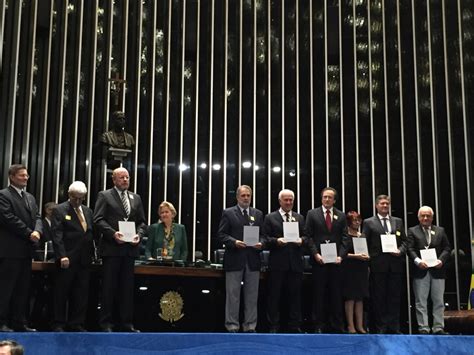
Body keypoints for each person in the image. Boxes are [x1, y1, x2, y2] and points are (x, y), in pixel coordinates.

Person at [93, 167, 147, 332]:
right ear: (114, 179)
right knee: (109, 288)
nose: (125, 180)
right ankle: (106, 323)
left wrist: (139, 234)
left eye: (127, 177)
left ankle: (126, 323)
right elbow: (98, 219)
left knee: (127, 288)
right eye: (122, 177)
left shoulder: (135, 198)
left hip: (130, 250)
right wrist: (112, 233)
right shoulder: (105, 195)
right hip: (112, 249)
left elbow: (142, 223)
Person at [0, 164, 42, 332]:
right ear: (11, 177)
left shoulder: (30, 197)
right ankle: (1, 322)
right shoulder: (3, 195)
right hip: (10, 250)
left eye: (27, 175)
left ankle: (20, 321)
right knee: (5, 288)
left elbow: (38, 216)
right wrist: (29, 233)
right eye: (22, 175)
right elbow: (7, 218)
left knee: (22, 289)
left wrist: (38, 231)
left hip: (26, 251)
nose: (26, 178)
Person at [216, 185, 264, 333]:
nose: (246, 198)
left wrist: (261, 243)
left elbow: (264, 235)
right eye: (243, 195)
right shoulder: (228, 213)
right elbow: (221, 235)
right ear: (237, 197)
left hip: (253, 260)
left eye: (248, 195)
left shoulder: (258, 213)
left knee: (251, 296)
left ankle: (250, 326)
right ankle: (232, 325)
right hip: (234, 259)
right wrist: (234, 242)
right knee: (233, 295)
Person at [51, 181, 94, 332]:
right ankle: (59, 323)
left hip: (84, 259)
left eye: (81, 198)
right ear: (69, 195)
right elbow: (57, 235)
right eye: (76, 198)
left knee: (81, 292)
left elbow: (89, 234)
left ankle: (77, 323)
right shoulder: (60, 210)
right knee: (62, 292)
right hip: (67, 258)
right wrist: (62, 255)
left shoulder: (88, 211)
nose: (78, 201)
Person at [362, 194, 407, 334]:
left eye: (387, 203)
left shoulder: (398, 221)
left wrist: (400, 251)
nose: (385, 206)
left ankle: (394, 327)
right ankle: (381, 327)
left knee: (394, 297)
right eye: (382, 203)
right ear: (376, 206)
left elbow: (405, 241)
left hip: (395, 265)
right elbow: (365, 242)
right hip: (377, 265)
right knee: (379, 297)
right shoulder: (369, 222)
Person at [262, 189, 306, 333]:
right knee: (274, 296)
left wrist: (302, 240)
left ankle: (294, 326)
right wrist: (276, 241)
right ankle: (273, 325)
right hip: (277, 263)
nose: (288, 202)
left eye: (290, 200)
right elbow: (264, 239)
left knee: (296, 297)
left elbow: (307, 237)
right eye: (285, 200)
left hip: (295, 264)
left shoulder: (299, 218)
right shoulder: (270, 218)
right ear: (280, 201)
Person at [305, 187, 346, 333]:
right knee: (318, 294)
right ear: (321, 198)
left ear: (334, 200)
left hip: (336, 262)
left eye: (330, 197)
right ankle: (318, 325)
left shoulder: (341, 216)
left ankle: (337, 325)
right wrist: (316, 254)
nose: (327, 200)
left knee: (336, 294)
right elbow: (308, 236)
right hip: (319, 262)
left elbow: (345, 238)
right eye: (324, 197)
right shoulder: (312, 214)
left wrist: (341, 255)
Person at [407, 206, 451, 335]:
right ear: (418, 217)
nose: (425, 218)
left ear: (432, 217)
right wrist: (418, 261)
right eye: (423, 216)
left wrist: (441, 260)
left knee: (438, 301)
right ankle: (423, 328)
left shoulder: (440, 230)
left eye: (428, 216)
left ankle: (438, 328)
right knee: (421, 302)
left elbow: (447, 248)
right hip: (420, 271)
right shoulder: (412, 231)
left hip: (438, 271)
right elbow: (410, 249)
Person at [340, 211, 369, 334]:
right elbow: (342, 253)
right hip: (349, 268)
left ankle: (360, 326)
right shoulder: (345, 235)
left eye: (359, 220)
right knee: (350, 297)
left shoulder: (361, 235)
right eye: (354, 220)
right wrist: (356, 256)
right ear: (349, 221)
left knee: (360, 298)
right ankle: (350, 326)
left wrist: (367, 257)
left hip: (361, 268)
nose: (357, 222)